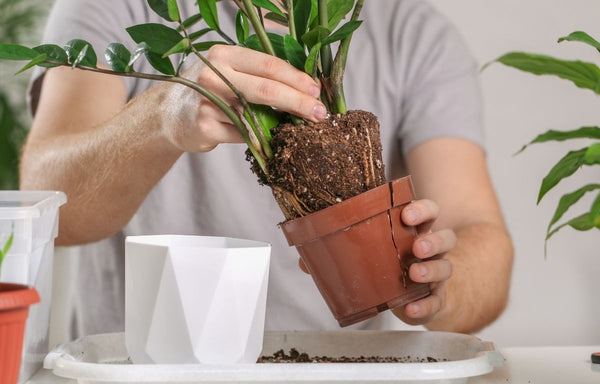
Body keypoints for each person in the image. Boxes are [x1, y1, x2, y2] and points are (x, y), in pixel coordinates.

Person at [22, 0, 513, 337]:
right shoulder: (117, 7)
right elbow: (49, 206)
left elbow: (480, 237)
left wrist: (438, 283)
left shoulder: (411, 32)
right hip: (149, 364)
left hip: (341, 366)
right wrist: (162, 117)